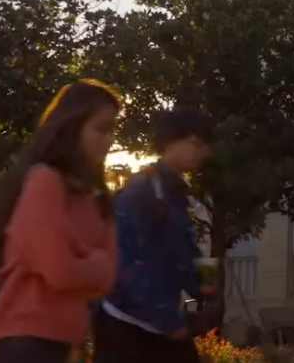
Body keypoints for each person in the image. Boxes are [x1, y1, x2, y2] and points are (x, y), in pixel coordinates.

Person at [0, 79, 121, 363]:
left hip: (63, 340)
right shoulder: (45, 181)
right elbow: (59, 270)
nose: (109, 140)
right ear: (72, 129)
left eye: (113, 130)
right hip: (21, 337)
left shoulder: (97, 198)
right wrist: (93, 262)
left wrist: (84, 264)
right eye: (101, 129)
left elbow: (109, 275)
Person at [92, 106, 216, 363]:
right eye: (196, 142)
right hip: (126, 324)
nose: (203, 151)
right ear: (171, 140)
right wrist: (169, 320)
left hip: (159, 323)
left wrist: (207, 285)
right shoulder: (141, 191)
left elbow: (184, 253)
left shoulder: (177, 194)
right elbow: (129, 264)